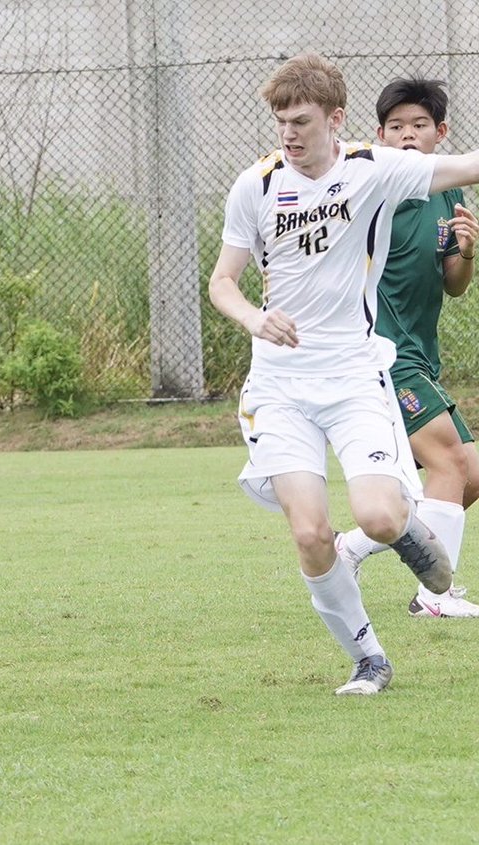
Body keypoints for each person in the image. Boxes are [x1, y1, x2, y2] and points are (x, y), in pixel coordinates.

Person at [208, 53, 479, 696]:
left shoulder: (375, 170)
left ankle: (404, 528)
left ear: (336, 119)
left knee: (381, 519)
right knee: (309, 533)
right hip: (279, 385)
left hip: (356, 376)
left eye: (301, 122)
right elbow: (223, 282)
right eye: (280, 123)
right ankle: (369, 659)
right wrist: (254, 318)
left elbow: (467, 166)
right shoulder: (258, 185)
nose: (289, 136)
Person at [334, 77, 479, 618]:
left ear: (441, 133)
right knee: (447, 462)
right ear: (378, 135)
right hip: (381, 352)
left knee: (471, 474)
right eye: (396, 127)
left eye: (420, 125)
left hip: (421, 354)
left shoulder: (446, 190)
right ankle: (433, 598)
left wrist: (466, 251)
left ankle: (352, 546)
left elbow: (453, 283)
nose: (408, 135)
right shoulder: (374, 185)